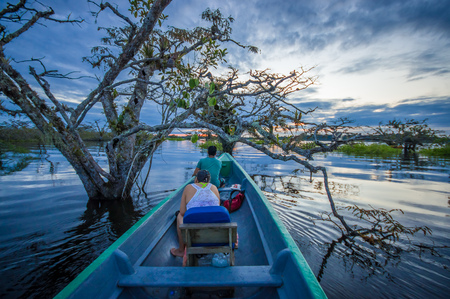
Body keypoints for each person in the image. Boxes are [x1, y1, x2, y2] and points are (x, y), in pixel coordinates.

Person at [170, 170, 220, 257]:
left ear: (196, 179)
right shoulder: (214, 188)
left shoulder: (188, 187)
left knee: (179, 216)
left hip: (193, 228)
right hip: (213, 230)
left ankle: (181, 250)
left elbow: (182, 211)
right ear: (208, 180)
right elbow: (218, 207)